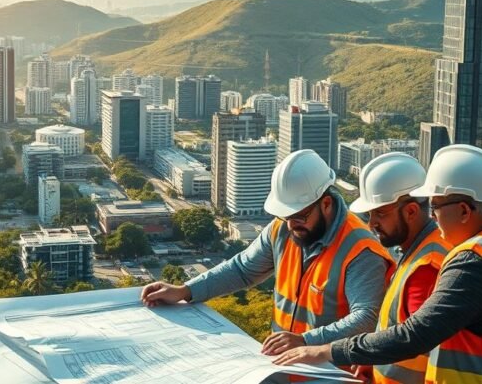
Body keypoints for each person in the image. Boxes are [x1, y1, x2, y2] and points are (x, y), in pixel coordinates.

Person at [272, 144, 482, 384]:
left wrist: (326, 351)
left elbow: (414, 336)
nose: (431, 216)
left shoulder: (476, 263)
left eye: (435, 206)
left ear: (463, 210)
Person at [141, 149, 394, 356]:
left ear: (326, 204)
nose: (292, 224)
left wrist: (305, 341)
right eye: (285, 216)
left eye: (300, 216)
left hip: (332, 372)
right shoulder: (282, 229)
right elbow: (242, 270)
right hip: (286, 367)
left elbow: (366, 318)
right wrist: (186, 290)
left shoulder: (361, 250)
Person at [347, 152, 450, 384]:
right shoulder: (416, 250)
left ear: (411, 211)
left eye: (380, 213)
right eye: (370, 214)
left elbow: (416, 344)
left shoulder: (427, 267)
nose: (371, 223)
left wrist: (363, 352)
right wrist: (373, 361)